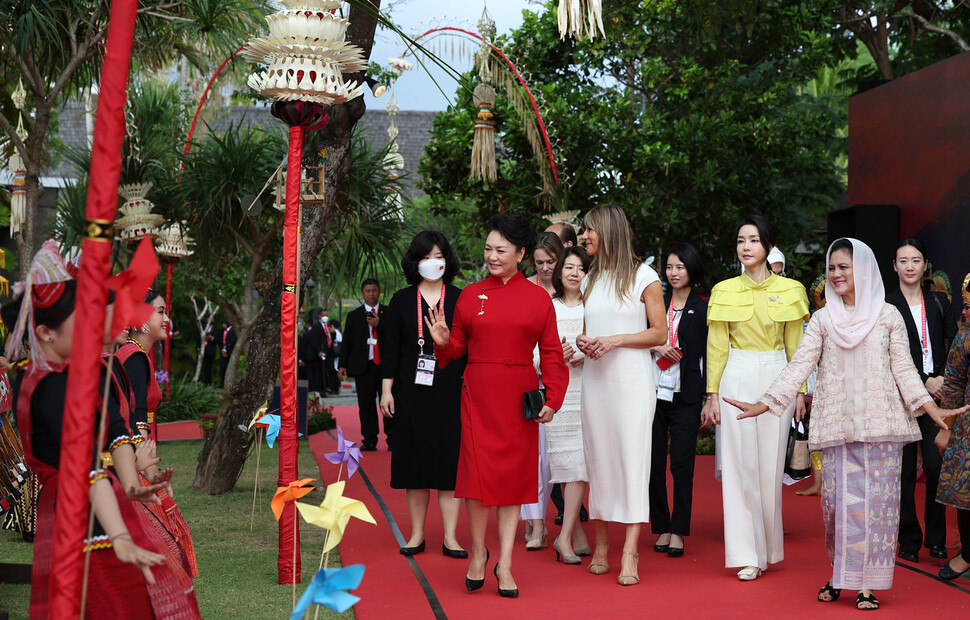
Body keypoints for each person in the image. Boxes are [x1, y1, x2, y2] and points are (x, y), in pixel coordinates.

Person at [725, 238, 965, 610]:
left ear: (863, 270)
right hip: (836, 427)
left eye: (844, 267)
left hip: (880, 428)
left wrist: (934, 412)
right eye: (832, 268)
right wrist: (765, 403)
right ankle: (841, 574)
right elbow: (800, 366)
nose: (836, 274)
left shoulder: (888, 316)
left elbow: (904, 370)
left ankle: (867, 584)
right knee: (837, 509)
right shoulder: (822, 319)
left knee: (875, 509)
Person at [9, 240, 199, 617]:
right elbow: (85, 466)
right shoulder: (52, 385)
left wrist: (130, 484)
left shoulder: (62, 376)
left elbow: (114, 430)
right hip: (83, 514)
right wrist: (121, 534)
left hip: (92, 505)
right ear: (46, 333)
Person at [427, 213, 568, 598]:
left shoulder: (539, 298)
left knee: (511, 482)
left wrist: (553, 397)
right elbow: (456, 348)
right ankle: (478, 554)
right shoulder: (471, 295)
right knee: (475, 481)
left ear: (521, 253)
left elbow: (552, 354)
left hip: (518, 398)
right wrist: (442, 342)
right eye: (488, 248)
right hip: (477, 394)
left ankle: (504, 563)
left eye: (501, 250)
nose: (492, 255)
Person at [703, 214, 808, 581]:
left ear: (767, 245)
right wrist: (711, 394)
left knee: (768, 468)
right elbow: (716, 347)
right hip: (736, 373)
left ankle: (766, 549)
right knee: (738, 468)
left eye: (753, 240)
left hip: (778, 374)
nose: (745, 247)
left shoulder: (793, 290)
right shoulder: (723, 289)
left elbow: (798, 347)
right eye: (740, 241)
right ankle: (747, 553)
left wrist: (800, 391)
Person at [575, 204, 667, 586]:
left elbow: (659, 333)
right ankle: (600, 545)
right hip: (595, 382)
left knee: (631, 462)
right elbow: (589, 329)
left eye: (589, 231)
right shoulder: (588, 280)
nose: (583, 237)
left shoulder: (645, 276)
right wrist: (582, 341)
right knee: (599, 463)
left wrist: (616, 340)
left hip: (631, 382)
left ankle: (629, 552)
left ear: (609, 231)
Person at [380, 231, 467, 559]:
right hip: (409, 391)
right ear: (415, 262)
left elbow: (469, 347)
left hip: (451, 390)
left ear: (448, 259)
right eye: (426, 257)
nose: (433, 263)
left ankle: (450, 537)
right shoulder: (401, 300)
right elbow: (390, 351)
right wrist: (386, 391)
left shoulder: (461, 298)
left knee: (449, 465)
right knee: (413, 465)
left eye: (439, 256)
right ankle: (416, 534)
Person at [116, 289, 199, 577]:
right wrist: (146, 468)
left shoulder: (133, 355)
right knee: (167, 545)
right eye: (160, 311)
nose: (167, 318)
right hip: (134, 460)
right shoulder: (135, 358)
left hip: (132, 456)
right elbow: (136, 418)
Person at [886, 238, 957, 563]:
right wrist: (920, 381)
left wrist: (941, 380)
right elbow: (887, 355)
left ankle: (936, 538)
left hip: (937, 395)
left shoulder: (939, 301)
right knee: (901, 472)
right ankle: (909, 539)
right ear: (895, 266)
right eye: (903, 260)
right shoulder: (886, 305)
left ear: (925, 265)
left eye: (916, 260)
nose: (910, 266)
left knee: (934, 464)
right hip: (901, 396)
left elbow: (950, 343)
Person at [648, 243, 708, 559]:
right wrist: (658, 348)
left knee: (682, 465)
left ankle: (679, 529)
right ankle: (662, 525)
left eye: (680, 267)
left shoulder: (703, 308)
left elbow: (709, 354)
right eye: (670, 267)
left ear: (691, 269)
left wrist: (709, 396)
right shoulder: (658, 305)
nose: (674, 272)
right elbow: (644, 340)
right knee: (655, 463)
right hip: (654, 393)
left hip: (686, 395)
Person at [545, 245, 592, 564]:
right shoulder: (548, 307)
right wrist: (556, 358)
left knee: (581, 467)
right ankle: (571, 535)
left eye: (581, 268)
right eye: (569, 267)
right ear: (559, 272)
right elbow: (533, 351)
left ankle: (567, 535)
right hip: (559, 395)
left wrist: (585, 356)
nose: (575, 273)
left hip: (591, 391)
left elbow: (608, 346)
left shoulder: (595, 308)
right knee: (567, 467)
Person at [521, 231, 564, 549]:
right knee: (534, 457)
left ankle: (571, 525)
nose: (545, 268)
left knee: (562, 457)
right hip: (531, 384)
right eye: (539, 263)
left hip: (568, 380)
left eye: (551, 261)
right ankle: (536, 524)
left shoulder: (574, 287)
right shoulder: (525, 290)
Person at [937, 273, 970, 581]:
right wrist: (945, 427)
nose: (965, 312)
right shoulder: (965, 337)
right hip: (968, 426)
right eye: (965, 305)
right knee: (965, 492)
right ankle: (968, 553)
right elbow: (953, 384)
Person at [339, 279, 387, 451]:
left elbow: (396, 336)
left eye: (374, 290)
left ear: (379, 292)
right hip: (363, 367)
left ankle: (393, 438)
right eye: (367, 290)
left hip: (385, 366)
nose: (371, 293)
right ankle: (369, 439)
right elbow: (347, 343)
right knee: (365, 405)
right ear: (362, 293)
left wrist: (380, 324)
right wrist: (342, 365)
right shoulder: (354, 316)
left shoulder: (388, 313)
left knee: (388, 403)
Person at [525, 231, 564, 296]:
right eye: (539, 263)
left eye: (550, 262)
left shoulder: (570, 285)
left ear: (560, 259)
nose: (545, 268)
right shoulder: (526, 286)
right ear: (533, 261)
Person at [218, 319, 236, 388]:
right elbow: (220, 341)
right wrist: (222, 349)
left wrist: (226, 350)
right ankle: (222, 384)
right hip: (223, 351)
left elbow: (233, 341)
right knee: (223, 368)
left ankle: (229, 384)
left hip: (230, 352)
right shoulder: (222, 331)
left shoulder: (232, 331)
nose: (223, 325)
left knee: (229, 368)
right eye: (222, 324)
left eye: (224, 324)